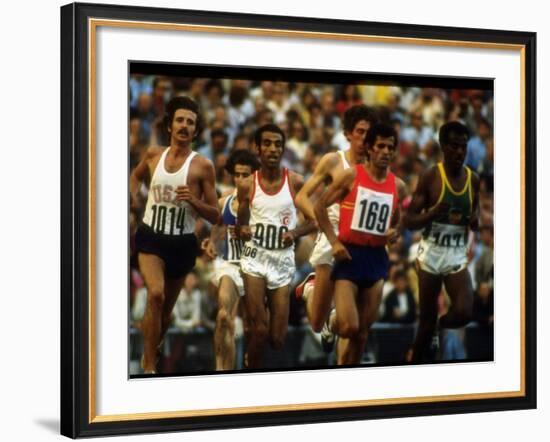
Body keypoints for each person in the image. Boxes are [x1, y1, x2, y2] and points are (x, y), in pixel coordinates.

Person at [130, 96, 219, 374]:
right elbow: (135, 176)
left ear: (195, 130)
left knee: (165, 314)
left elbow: (216, 214)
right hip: (151, 236)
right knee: (154, 295)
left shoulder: (203, 166)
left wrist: (194, 200)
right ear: (170, 125)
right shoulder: (153, 154)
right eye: (180, 120)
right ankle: (148, 368)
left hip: (181, 243)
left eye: (190, 122)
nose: (184, 126)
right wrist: (133, 197)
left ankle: (154, 344)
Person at [314, 123, 407, 365]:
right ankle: (330, 322)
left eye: (390, 147)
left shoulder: (398, 185)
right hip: (350, 256)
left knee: (362, 334)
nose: (386, 152)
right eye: (380, 146)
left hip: (376, 258)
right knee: (348, 326)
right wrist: (333, 242)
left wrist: (394, 231)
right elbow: (319, 207)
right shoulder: (351, 176)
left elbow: (398, 218)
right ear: (370, 149)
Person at [294, 105, 378, 341]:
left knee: (357, 321)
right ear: (348, 134)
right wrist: (320, 223)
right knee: (316, 323)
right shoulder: (333, 161)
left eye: (368, 133)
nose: (363, 138)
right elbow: (302, 197)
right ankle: (310, 289)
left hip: (361, 240)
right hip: (332, 236)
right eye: (359, 132)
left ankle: (335, 320)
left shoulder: (375, 168)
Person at [236, 124, 314, 368]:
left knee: (277, 339)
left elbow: (315, 221)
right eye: (267, 143)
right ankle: (250, 369)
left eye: (278, 144)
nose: (273, 149)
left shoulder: (296, 182)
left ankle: (259, 322)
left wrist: (295, 232)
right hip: (255, 258)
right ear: (257, 148)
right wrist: (243, 229)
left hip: (282, 260)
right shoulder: (247, 184)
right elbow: (240, 222)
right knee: (259, 329)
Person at [402, 121, 480, 362]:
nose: (460, 152)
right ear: (444, 147)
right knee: (424, 326)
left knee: (464, 313)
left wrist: (474, 221)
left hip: (456, 254)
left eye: (463, 147)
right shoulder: (430, 176)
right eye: (455, 146)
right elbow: (409, 221)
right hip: (431, 254)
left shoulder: (473, 179)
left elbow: (474, 214)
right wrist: (432, 213)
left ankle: (439, 325)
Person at [202, 149, 260, 370]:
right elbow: (218, 225)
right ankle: (221, 371)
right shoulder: (225, 200)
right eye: (238, 174)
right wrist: (211, 243)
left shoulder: (263, 203)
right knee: (224, 317)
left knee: (255, 330)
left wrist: (251, 233)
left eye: (246, 175)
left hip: (257, 267)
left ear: (254, 176)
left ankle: (248, 367)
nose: (241, 179)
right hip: (231, 265)